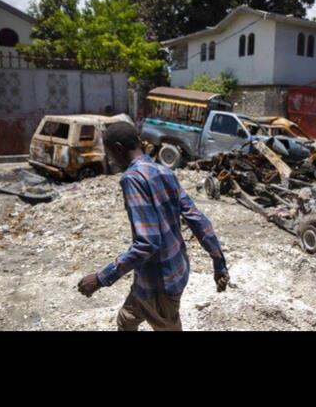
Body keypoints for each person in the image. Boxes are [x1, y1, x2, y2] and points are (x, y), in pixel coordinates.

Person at [76, 122, 230, 331]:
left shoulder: (132, 179)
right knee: (126, 319)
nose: (110, 160)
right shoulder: (163, 171)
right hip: (170, 271)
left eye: (110, 154)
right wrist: (218, 261)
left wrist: (100, 278)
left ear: (119, 149)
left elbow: (147, 243)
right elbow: (197, 218)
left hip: (159, 284)